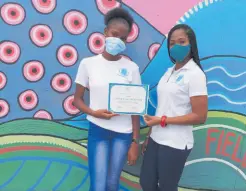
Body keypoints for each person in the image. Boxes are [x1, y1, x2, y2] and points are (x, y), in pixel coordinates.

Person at [73, 8, 141, 191]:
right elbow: (77, 100)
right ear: (105, 33)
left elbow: (136, 108)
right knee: (98, 186)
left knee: (112, 184)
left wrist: (135, 141)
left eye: (123, 38)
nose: (118, 41)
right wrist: (94, 113)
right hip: (98, 131)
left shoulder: (132, 68)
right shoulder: (88, 64)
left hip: (123, 134)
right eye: (115, 35)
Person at [139, 24, 208, 191]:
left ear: (191, 44)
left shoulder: (195, 74)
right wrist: (150, 134)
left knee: (167, 187)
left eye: (181, 42)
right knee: (146, 183)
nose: (176, 46)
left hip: (175, 143)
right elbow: (164, 107)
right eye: (171, 43)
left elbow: (200, 116)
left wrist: (162, 120)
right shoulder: (169, 71)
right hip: (156, 138)